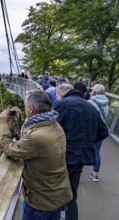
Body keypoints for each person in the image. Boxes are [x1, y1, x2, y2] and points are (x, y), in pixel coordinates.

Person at [0, 90, 72, 220]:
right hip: (57, 194)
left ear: (30, 108)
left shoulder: (36, 137)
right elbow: (28, 140)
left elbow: (9, 149)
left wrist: (3, 125)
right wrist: (19, 121)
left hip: (41, 201)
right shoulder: (54, 125)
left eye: (26, 106)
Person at [54, 84, 108, 220]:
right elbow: (104, 132)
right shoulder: (91, 106)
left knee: (55, 189)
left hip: (64, 154)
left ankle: (58, 213)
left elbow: (51, 129)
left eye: (56, 96)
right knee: (72, 193)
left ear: (61, 93)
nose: (57, 98)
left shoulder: (63, 104)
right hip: (82, 156)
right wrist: (88, 142)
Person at [87, 84, 109, 182]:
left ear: (94, 91)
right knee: (97, 151)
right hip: (100, 128)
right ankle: (95, 174)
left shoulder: (90, 102)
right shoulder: (107, 102)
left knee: (82, 147)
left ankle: (78, 168)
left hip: (90, 128)